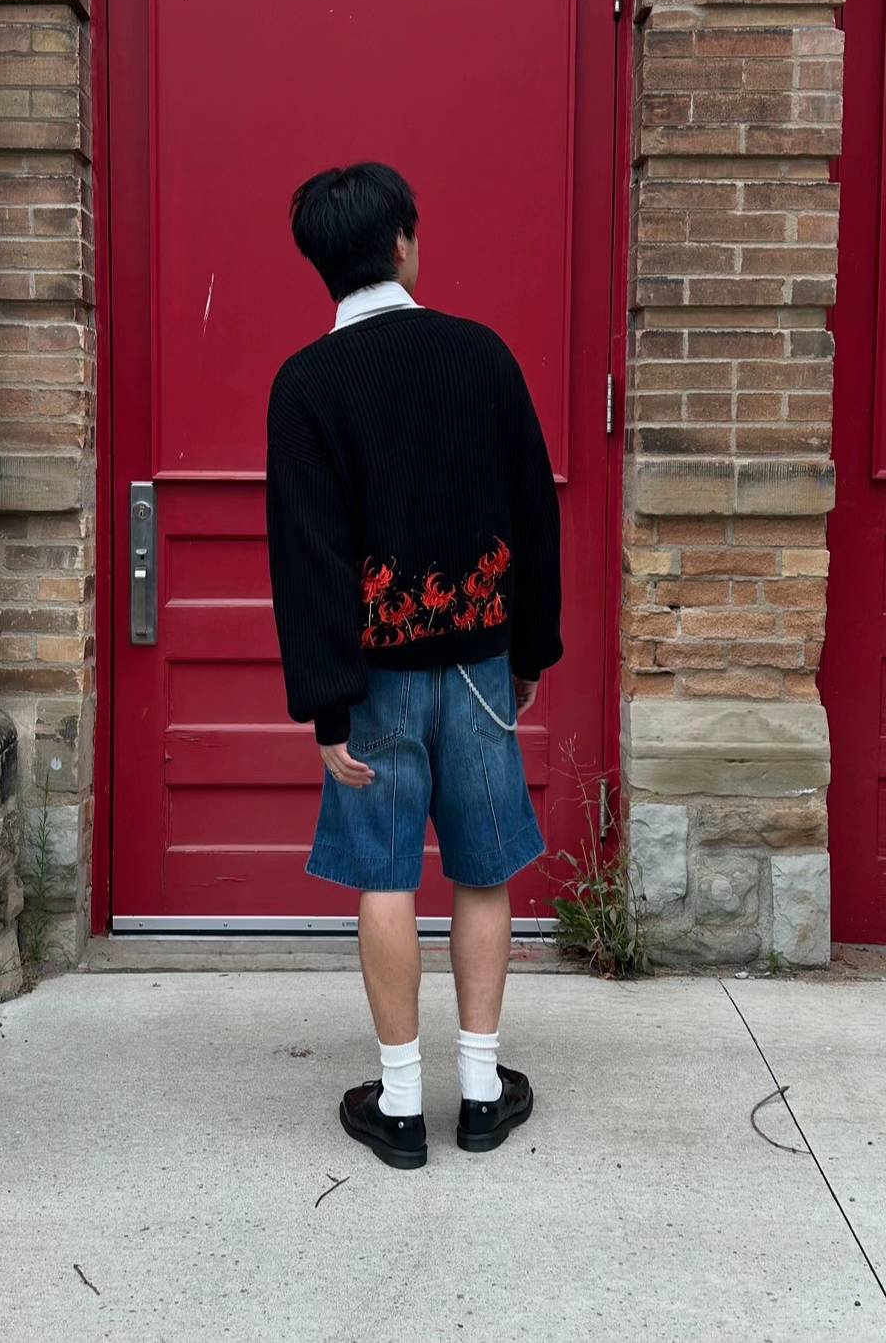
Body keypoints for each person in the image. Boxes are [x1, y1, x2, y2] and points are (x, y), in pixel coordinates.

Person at [265, 162, 562, 1169]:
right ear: (401, 243)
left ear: (322, 263)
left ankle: (398, 1107)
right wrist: (533, 647)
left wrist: (326, 705)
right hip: (480, 664)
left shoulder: (306, 385)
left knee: (385, 877)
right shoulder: (482, 356)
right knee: (482, 871)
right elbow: (534, 513)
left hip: (374, 681)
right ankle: (480, 1093)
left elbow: (307, 554)